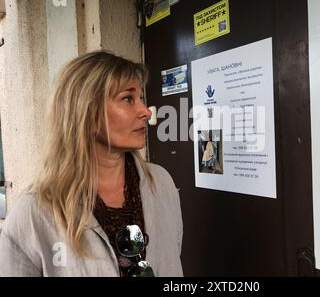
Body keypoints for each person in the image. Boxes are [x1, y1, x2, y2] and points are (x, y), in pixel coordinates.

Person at [0, 51, 183, 277]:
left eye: (141, 98)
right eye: (128, 98)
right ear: (85, 110)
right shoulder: (35, 212)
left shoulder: (161, 183)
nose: (146, 111)